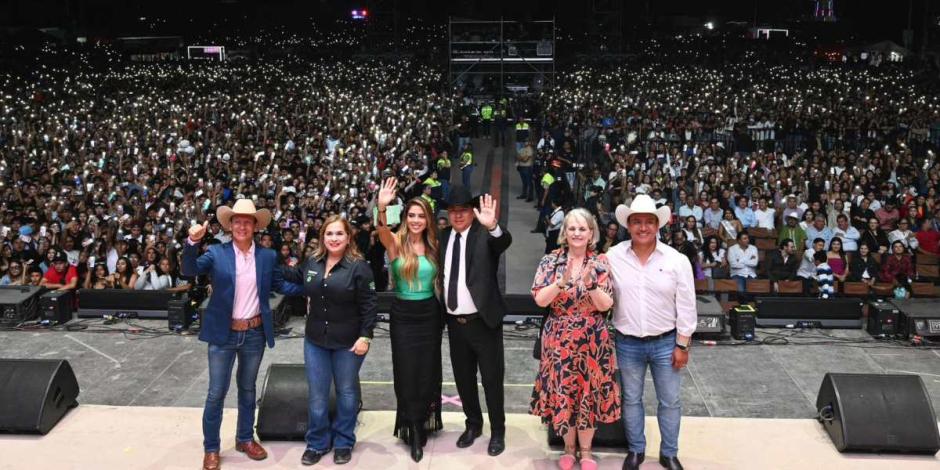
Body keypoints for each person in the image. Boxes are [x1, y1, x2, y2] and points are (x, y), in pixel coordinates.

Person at [182, 199, 303, 470]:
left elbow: (280, 284)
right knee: (216, 393)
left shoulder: (267, 256)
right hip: (223, 335)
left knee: (247, 390)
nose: (242, 226)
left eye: (247, 221)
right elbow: (188, 270)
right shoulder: (216, 253)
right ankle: (211, 448)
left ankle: (245, 438)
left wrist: (313, 289)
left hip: (254, 334)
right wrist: (191, 243)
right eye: (237, 221)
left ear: (255, 227)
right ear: (230, 225)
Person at [607, 194, 696, 470]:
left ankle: (669, 453)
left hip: (666, 343)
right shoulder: (613, 257)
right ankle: (636, 450)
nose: (643, 227)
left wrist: (682, 345)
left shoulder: (676, 260)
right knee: (631, 399)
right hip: (627, 343)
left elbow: (687, 306)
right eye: (637, 222)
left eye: (648, 222)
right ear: (628, 225)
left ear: (658, 226)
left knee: (669, 401)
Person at [280, 215, 377, 466]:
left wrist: (366, 336)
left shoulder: (359, 266)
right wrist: (267, 258)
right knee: (317, 396)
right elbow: (294, 277)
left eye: (339, 234)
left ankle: (344, 441)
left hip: (349, 342)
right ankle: (317, 443)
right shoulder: (312, 262)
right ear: (323, 237)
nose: (334, 238)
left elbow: (369, 306)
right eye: (329, 234)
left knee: (346, 393)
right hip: (315, 341)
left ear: (348, 237)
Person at [530, 208, 619, 470]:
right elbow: (539, 299)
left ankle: (587, 451)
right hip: (559, 340)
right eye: (572, 228)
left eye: (582, 228)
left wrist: (590, 286)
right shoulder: (550, 261)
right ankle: (569, 448)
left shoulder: (601, 261)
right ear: (564, 233)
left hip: (592, 339)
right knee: (564, 393)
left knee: (588, 395)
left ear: (591, 233)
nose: (577, 233)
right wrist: (561, 283)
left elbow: (606, 305)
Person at [375, 177, 443, 462]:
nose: (416, 220)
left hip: (430, 314)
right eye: (411, 215)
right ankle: (413, 428)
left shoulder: (434, 246)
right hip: (403, 315)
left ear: (428, 220)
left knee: (427, 371)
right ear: (405, 218)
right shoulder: (395, 243)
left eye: (421, 216)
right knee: (406, 372)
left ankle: (422, 419)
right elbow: (381, 230)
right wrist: (381, 207)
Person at [441, 184, 512, 457]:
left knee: (492, 380)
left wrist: (493, 225)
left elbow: (503, 242)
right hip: (454, 323)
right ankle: (473, 424)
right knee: (463, 379)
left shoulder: (485, 234)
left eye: (463, 210)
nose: (458, 216)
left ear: (472, 212)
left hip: (483, 322)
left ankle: (498, 430)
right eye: (453, 211)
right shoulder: (444, 237)